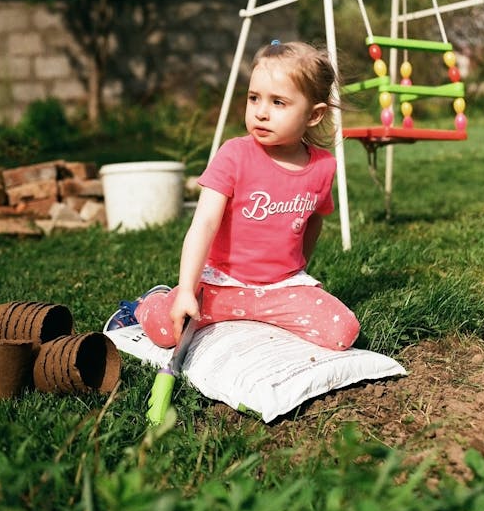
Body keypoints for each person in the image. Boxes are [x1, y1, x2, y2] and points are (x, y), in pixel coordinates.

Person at [107, 40, 360, 351]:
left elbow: (314, 221)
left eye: (278, 102)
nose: (261, 112)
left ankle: (263, 312)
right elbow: (204, 224)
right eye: (254, 98)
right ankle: (149, 302)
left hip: (281, 288)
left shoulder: (322, 167)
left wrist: (298, 269)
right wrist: (187, 289)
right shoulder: (234, 155)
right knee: (166, 330)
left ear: (314, 114)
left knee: (343, 331)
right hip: (221, 284)